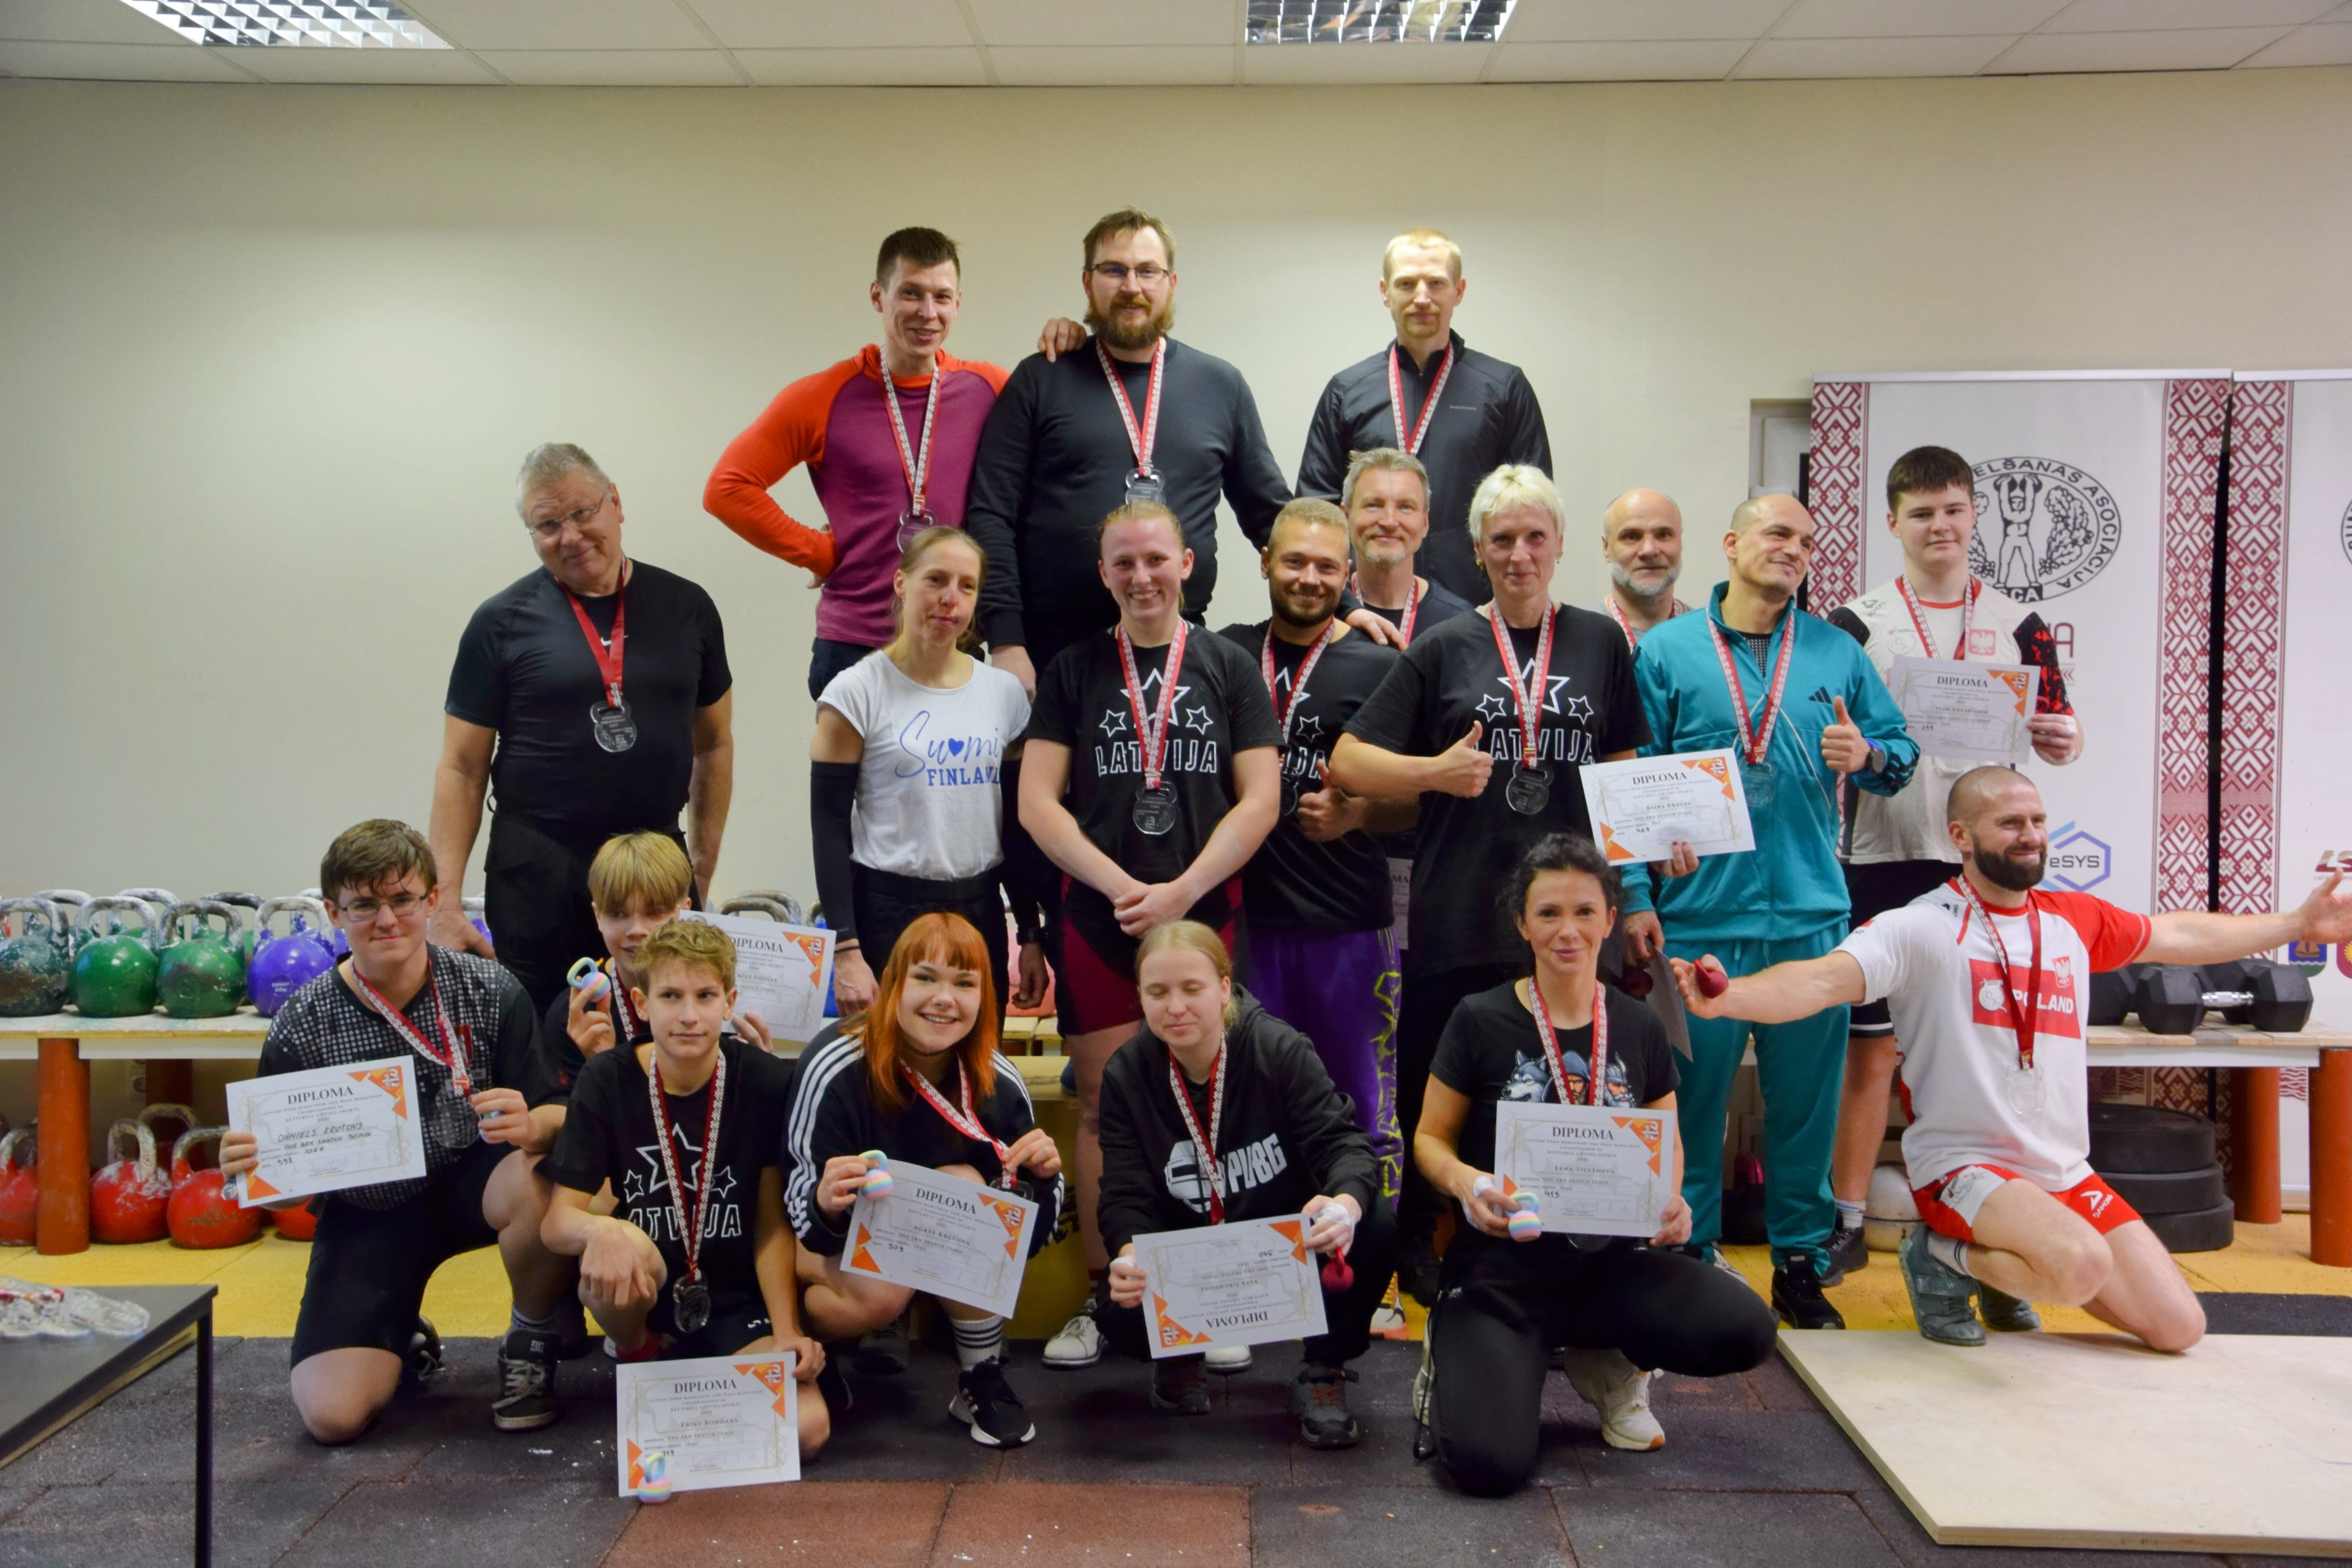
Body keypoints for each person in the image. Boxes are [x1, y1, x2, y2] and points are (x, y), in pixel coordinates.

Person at [1673, 767, 2352, 1351]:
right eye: (2009, 822)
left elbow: (2177, 933)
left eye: (2037, 820)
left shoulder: (2070, 920)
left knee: (2179, 1328)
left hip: (2060, 1169)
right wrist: (1730, 998)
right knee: (2079, 1264)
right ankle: (1941, 1252)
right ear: (1961, 836)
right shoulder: (1921, 926)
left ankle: (1995, 1265)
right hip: (1964, 1165)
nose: (2030, 835)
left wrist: (2298, 924)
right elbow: (1820, 980)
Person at [1329, 463, 1653, 1303]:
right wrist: (1433, 771)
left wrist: (1652, 860)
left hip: (1573, 919)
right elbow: (1349, 759)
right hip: (1461, 907)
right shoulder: (1444, 645)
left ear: (1560, 544)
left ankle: (1575, 1245)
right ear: (1477, 549)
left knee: (1573, 1079)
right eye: (1502, 539)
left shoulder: (1600, 641)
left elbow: (1624, 771)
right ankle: (1424, 1240)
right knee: (1441, 1082)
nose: (1519, 554)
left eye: (1534, 537)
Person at [1628, 494, 1918, 1329]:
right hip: (1699, 918)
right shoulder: (1666, 649)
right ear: (1732, 544)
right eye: (1777, 533)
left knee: (1804, 1107)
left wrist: (1867, 753)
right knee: (1689, 1104)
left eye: (1806, 540)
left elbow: (1901, 754)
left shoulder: (1836, 651)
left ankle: (1799, 1262)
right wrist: (1639, 893)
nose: (1793, 548)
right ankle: (1687, 1257)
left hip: (1810, 920)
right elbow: (1632, 777)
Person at [1413, 835, 1776, 1495]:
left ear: (1610, 919)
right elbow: (1430, 1139)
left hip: (1610, 1266)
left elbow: (1666, 1142)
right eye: (1547, 912)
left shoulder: (1638, 1023)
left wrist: (1671, 1201)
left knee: (1746, 1329)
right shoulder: (1479, 1017)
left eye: (1584, 911)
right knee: (1486, 1467)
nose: (1567, 930)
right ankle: (1463, 1352)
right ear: (1522, 923)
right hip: (1503, 1274)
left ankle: (1605, 1359)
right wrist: (1468, 1182)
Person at [1017, 499, 1282, 1365]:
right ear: (1104, 573)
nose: (1142, 576)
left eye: (1156, 558)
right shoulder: (1074, 668)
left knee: (1211, 1099)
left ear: (1188, 563)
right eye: (1124, 562)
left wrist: (1185, 889)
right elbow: (1037, 802)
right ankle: (1107, 1295)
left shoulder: (1229, 665)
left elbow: (1262, 797)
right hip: (1102, 915)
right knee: (1101, 1103)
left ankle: (1211, 1296)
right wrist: (1124, 886)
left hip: (1204, 917)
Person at [1822, 445, 2085, 1279]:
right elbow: (1825, 731)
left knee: (1989, 1051)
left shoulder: (2020, 621)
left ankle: (1996, 1221)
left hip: (1985, 864)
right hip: (1882, 853)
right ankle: (1848, 1216)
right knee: (1872, 1050)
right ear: (1892, 522)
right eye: (1922, 513)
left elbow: (2062, 727)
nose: (1940, 525)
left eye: (1953, 510)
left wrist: (2067, 737)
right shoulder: (1856, 621)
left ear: (1974, 515)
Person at [219, 820, 569, 1443]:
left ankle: (530, 1338)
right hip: (368, 1210)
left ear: (432, 899)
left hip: (473, 1184)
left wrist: (531, 1121)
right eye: (363, 904)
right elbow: (284, 1191)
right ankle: (398, 1331)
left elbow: (559, 1117)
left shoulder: (489, 989)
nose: (386, 920)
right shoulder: (303, 1021)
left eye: (402, 899)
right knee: (333, 1418)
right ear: (334, 913)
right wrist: (254, 1169)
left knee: (536, 1172)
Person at [433, 443, 733, 1011]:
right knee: (541, 1034)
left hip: (654, 867)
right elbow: (461, 767)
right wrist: (444, 905)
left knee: (662, 1027)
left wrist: (700, 869)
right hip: (538, 873)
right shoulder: (500, 623)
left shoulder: (688, 607)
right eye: (548, 525)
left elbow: (714, 745)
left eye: (582, 512)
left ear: (615, 503)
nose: (570, 536)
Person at [963, 206, 1290, 697]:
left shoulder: (1221, 385)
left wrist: (1346, 606)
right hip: (1050, 653)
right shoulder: (1041, 378)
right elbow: (991, 513)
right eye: (1114, 270)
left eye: (1147, 271)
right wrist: (1007, 641)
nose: (1131, 286)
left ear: (1171, 283)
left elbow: (1272, 517)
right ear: (1087, 282)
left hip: (1177, 651)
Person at [1098, 922, 1399, 1445]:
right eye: (1158, 992)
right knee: (1116, 1305)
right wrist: (1127, 1253)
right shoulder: (1126, 1073)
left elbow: (1345, 1146)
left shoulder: (1277, 1049)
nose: (1175, 1007)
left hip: (1279, 1246)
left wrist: (1343, 1206)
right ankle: (1179, 1354)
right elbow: (1125, 1193)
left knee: (1373, 1223)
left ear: (1223, 986)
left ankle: (1324, 1367)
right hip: (1191, 1254)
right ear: (1140, 997)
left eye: (1191, 988)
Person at [538, 919, 830, 1454]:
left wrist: (787, 1329)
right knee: (617, 1246)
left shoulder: (766, 1080)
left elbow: (771, 1224)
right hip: (646, 1290)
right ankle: (638, 1351)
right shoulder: (606, 1078)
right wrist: (601, 1230)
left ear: (730, 1002)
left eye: (705, 996)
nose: (689, 1015)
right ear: (641, 1003)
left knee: (808, 1428)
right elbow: (557, 1223)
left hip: (736, 1300)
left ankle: (687, 1399)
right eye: (670, 996)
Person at [785, 913, 1065, 1447]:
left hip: (924, 1238)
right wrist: (826, 1202)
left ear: (985, 997)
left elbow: (1025, 1241)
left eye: (964, 984)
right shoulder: (834, 1064)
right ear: (893, 983)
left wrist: (1038, 1184)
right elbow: (796, 1210)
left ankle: (981, 1373)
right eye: (926, 978)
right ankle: (812, 1348)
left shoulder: (997, 1079)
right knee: (883, 1293)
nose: (944, 999)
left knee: (967, 1183)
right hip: (834, 1248)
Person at [702, 228, 1013, 701]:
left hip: (953, 640)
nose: (928, 312)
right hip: (856, 645)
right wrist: (820, 552)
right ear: (877, 296)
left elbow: (1056, 439)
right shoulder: (824, 395)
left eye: (941, 297)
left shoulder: (989, 388)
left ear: (958, 303)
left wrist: (1069, 338)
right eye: (911, 293)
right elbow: (727, 488)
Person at [1216, 499, 1414, 1195]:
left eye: (1326, 566)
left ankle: (1371, 1252)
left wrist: (1358, 813)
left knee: (1363, 1105)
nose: (1308, 577)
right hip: (1244, 925)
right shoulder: (1223, 653)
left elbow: (1420, 800)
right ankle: (1266, 1252)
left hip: (1347, 924)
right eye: (1294, 561)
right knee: (1251, 1112)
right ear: (1265, 562)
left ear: (1348, 576)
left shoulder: (1382, 664)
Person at [810, 527, 1047, 1017]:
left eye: (967, 585)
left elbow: (1015, 828)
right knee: (889, 1062)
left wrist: (1029, 932)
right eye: (936, 579)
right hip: (888, 910)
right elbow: (829, 827)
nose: (950, 598)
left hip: (978, 907)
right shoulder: (856, 692)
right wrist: (846, 947)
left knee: (975, 1060)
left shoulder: (1002, 693)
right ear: (902, 583)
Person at [1297, 228, 1551, 609]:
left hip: (1474, 609)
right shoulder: (1347, 392)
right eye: (1406, 284)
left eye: (1436, 283)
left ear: (1459, 291)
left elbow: (1533, 511)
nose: (1421, 297)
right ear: (1385, 291)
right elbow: (1315, 512)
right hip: (1367, 611)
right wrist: (1344, 603)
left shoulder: (1503, 389)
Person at [542, 831, 689, 1099]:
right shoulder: (576, 1016)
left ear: (685, 912)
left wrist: (752, 1064)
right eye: (619, 914)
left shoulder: (712, 997)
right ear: (598, 916)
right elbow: (578, 1122)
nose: (637, 930)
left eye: (654, 912)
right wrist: (601, 1066)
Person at [1342, 447, 1476, 647]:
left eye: (1405, 507)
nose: (1389, 521)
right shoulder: (1324, 612)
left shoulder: (1458, 622)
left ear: (1425, 523)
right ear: (1346, 516)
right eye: (1373, 505)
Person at [1599, 489, 1688, 649]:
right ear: (1606, 548)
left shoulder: (1712, 637)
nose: (1649, 550)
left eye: (1663, 535)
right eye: (1632, 536)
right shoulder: (1576, 636)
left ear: (1680, 542)